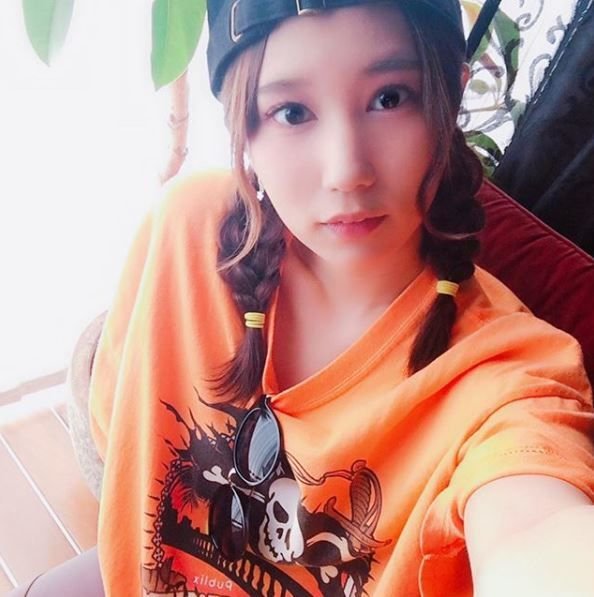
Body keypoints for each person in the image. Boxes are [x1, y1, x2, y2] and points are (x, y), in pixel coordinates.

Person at [10, 1, 594, 595]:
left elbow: (536, 531)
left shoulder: (506, 378)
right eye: (291, 112)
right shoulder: (188, 235)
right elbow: (127, 448)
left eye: (390, 98)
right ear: (242, 124)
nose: (346, 171)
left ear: (452, 96)